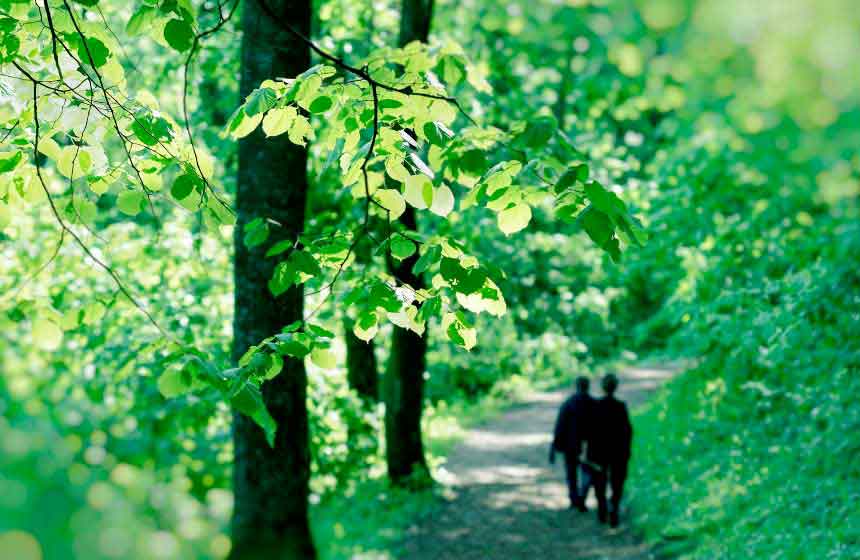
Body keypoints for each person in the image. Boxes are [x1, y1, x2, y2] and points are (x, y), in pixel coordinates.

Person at [586, 373, 633, 527]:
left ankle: (602, 509)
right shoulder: (620, 407)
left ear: (602, 387)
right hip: (617, 452)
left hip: (598, 452)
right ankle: (613, 508)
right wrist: (626, 451)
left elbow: (589, 431)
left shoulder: (595, 406)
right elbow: (627, 432)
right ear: (616, 387)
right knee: (617, 482)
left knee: (599, 482)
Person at [549, 376, 594, 512]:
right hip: (589, 445)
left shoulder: (568, 404)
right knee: (587, 472)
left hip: (570, 445)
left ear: (576, 386)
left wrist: (554, 446)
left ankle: (574, 498)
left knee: (571, 473)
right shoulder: (594, 404)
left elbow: (560, 426)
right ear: (588, 386)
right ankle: (582, 497)